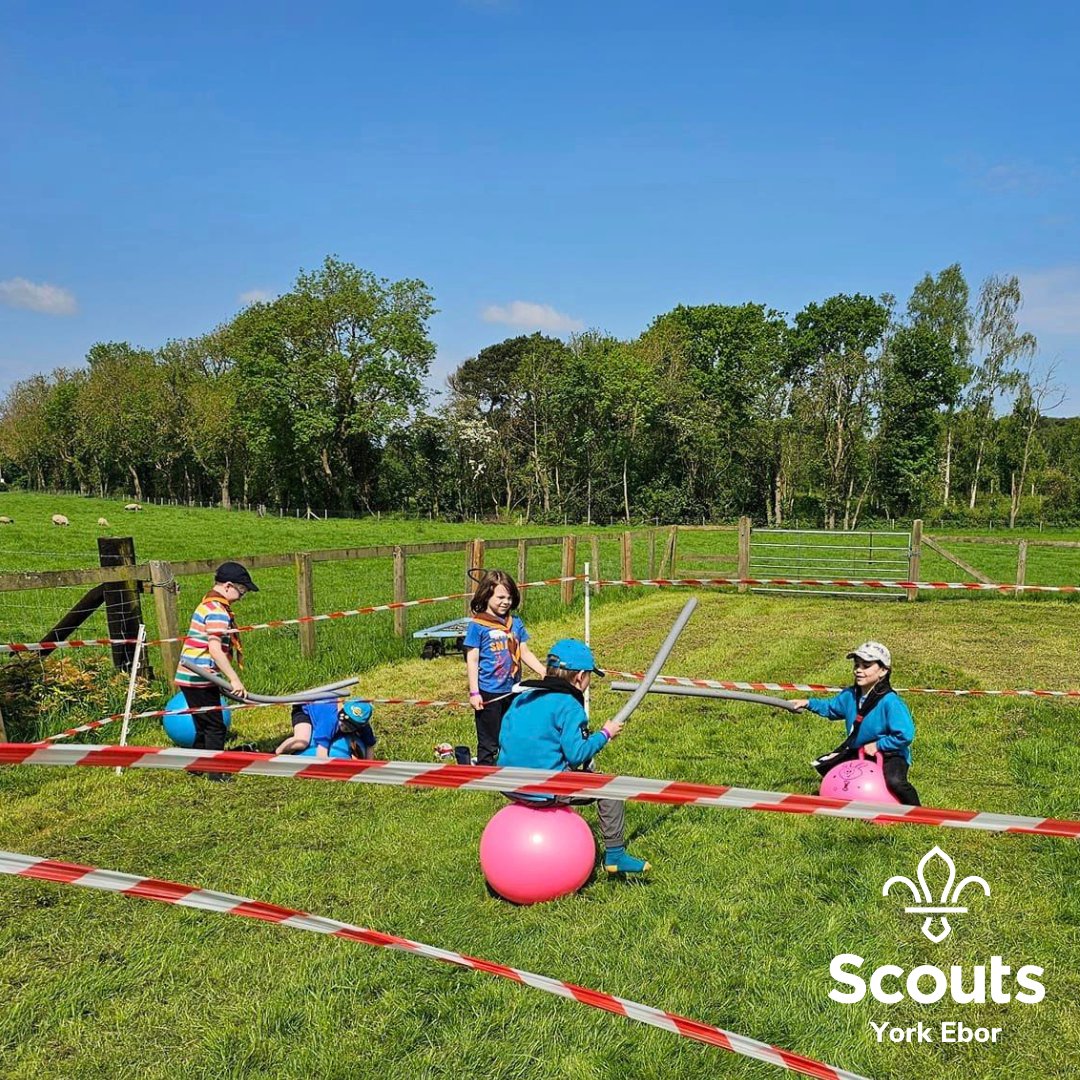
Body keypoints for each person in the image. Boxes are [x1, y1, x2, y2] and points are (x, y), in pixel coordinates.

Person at [497, 638, 650, 875]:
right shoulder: (569, 705)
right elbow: (577, 754)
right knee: (612, 788)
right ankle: (616, 856)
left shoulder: (523, 697)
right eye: (589, 677)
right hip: (544, 790)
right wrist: (605, 734)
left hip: (507, 784)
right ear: (580, 677)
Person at [791, 640, 920, 805]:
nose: (858, 670)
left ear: (883, 671)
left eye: (866, 666)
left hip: (890, 753)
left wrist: (878, 745)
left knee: (895, 782)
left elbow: (905, 734)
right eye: (857, 665)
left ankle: (916, 812)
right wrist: (808, 703)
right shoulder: (850, 695)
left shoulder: (891, 702)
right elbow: (831, 707)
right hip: (859, 750)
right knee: (826, 767)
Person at [174, 562, 258, 770]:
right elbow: (214, 648)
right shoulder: (218, 611)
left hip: (188, 676)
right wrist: (234, 679)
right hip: (200, 675)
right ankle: (217, 772)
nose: (242, 596)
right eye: (242, 591)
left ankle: (196, 767)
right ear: (228, 586)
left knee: (203, 725)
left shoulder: (207, 603)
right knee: (215, 727)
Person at [464, 569, 545, 766]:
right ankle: (485, 771)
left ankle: (512, 766)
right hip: (490, 692)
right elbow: (472, 660)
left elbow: (524, 652)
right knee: (489, 739)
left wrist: (542, 670)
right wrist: (475, 692)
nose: (505, 602)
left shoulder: (515, 623)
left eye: (509, 597)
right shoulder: (478, 625)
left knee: (514, 731)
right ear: (486, 595)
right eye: (500, 597)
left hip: (514, 689)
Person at [276, 698, 377, 760]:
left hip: (322, 710)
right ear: (341, 711)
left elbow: (370, 745)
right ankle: (276, 752)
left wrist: (368, 769)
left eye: (350, 726)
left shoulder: (364, 727)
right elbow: (321, 754)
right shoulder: (330, 721)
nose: (344, 726)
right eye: (344, 721)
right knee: (301, 741)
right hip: (305, 708)